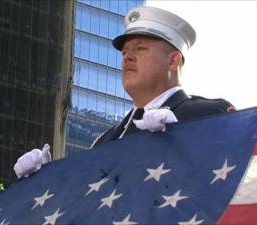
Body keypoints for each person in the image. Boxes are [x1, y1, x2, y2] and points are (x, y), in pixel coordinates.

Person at [14, 6, 234, 178]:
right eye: (125, 52)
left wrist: (183, 138)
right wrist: (45, 178)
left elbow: (238, 180)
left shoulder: (209, 114)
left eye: (140, 49)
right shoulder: (105, 141)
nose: (127, 57)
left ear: (173, 60)